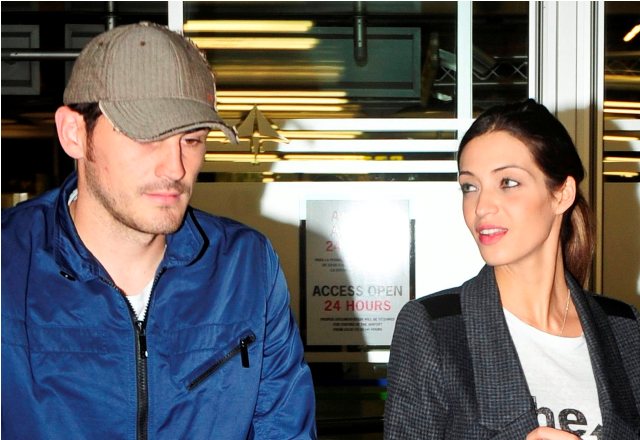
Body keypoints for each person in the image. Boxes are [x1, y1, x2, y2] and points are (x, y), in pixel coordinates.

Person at [2, 22, 316, 439]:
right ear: (74, 133)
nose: (175, 168)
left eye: (192, 139)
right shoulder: (9, 268)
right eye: (148, 137)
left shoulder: (245, 269)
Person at [384, 99, 640, 439]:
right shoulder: (435, 328)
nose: (482, 206)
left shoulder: (624, 329)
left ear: (562, 194)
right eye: (470, 186)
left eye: (507, 182)